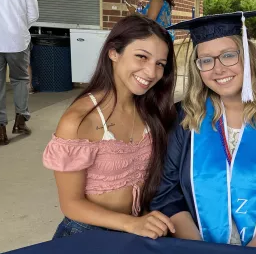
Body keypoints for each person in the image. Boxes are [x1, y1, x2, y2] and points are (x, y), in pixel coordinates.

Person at [149, 10, 256, 252]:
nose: (218, 69)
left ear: (248, 58)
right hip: (195, 252)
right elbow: (167, 193)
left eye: (229, 56)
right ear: (197, 68)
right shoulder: (184, 119)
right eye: (206, 60)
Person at [42, 15, 177, 239]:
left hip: (139, 228)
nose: (151, 73)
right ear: (114, 52)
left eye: (160, 64)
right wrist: (132, 224)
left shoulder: (151, 110)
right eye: (141, 57)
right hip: (87, 235)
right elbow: (71, 204)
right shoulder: (79, 120)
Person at [0, 0, 38, 145]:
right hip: (17, 41)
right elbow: (33, 14)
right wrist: (17, 28)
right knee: (20, 79)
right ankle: (20, 120)